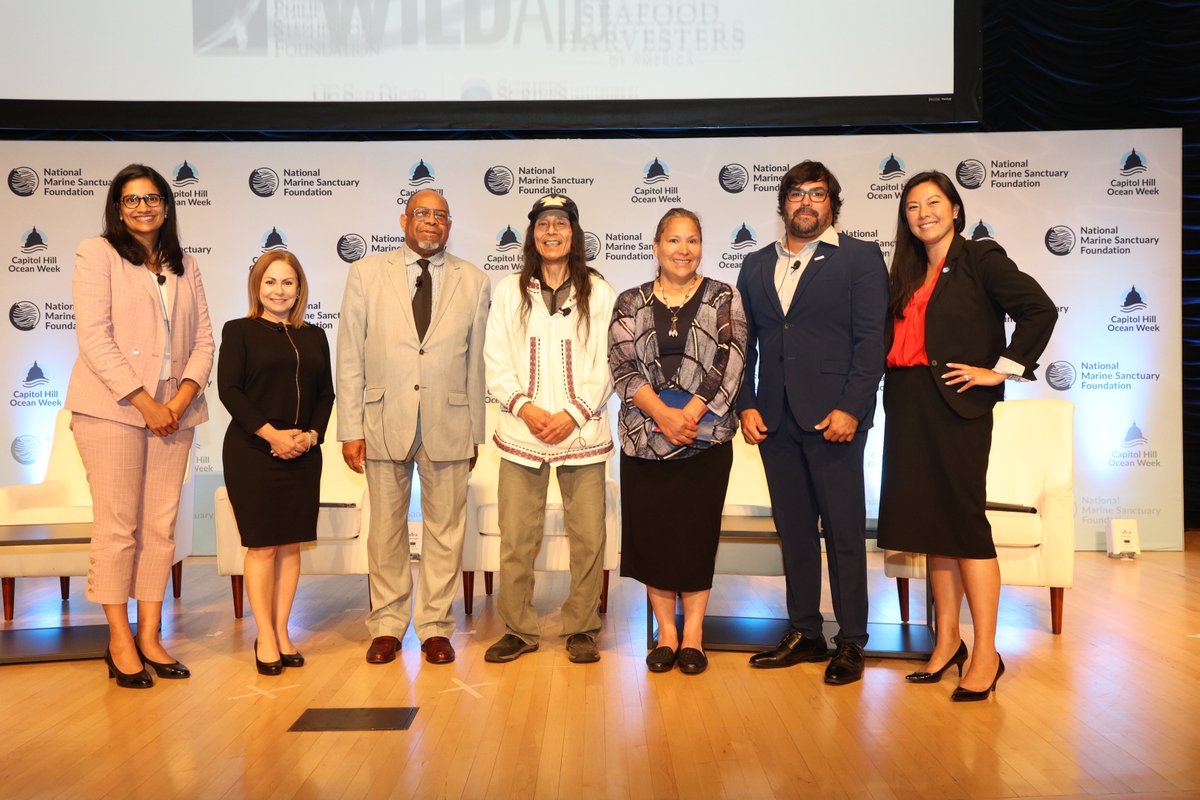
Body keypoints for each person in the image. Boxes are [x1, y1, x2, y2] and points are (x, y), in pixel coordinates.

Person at [876, 170, 1056, 700]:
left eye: (934, 202)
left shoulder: (981, 258)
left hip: (956, 406)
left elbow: (1038, 309)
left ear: (955, 209)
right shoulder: (905, 270)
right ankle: (947, 641)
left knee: (964, 524)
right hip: (908, 405)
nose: (923, 212)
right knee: (933, 527)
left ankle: (986, 652)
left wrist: (1001, 369)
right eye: (912, 206)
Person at [736, 160, 888, 685]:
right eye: (797, 194)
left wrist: (852, 408)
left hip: (834, 421)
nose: (806, 202)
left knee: (844, 534)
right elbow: (745, 345)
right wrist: (745, 404)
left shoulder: (861, 259)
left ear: (832, 204)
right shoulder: (755, 265)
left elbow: (873, 343)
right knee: (794, 533)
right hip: (774, 420)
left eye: (817, 194)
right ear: (783, 204)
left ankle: (850, 640)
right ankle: (805, 630)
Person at [65, 163, 214, 688]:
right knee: (118, 526)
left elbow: (203, 343)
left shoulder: (185, 264)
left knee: (159, 527)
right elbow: (95, 338)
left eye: (152, 198)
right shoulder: (97, 253)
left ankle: (150, 635)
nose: (143, 207)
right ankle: (119, 639)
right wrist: (148, 403)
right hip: (113, 409)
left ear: (167, 206)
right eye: (131, 200)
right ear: (117, 207)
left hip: (177, 413)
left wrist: (181, 398)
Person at [337, 188, 490, 666]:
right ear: (404, 220)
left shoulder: (475, 280)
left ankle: (436, 628)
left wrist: (475, 432)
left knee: (446, 531)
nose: (432, 222)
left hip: (450, 420)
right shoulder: (365, 274)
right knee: (385, 531)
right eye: (422, 214)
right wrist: (350, 428)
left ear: (450, 225)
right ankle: (386, 626)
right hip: (383, 420)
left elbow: (478, 364)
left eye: (441, 215)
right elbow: (350, 355)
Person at [609, 207, 747, 675]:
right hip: (645, 437)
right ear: (655, 246)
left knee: (695, 535)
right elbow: (623, 365)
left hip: (704, 439)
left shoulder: (723, 295)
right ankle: (666, 634)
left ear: (702, 247)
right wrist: (663, 415)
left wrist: (687, 415)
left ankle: (694, 636)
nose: (683, 250)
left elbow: (731, 358)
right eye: (673, 240)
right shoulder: (630, 300)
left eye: (692, 241)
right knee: (655, 537)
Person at [482, 194, 616, 665]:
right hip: (522, 433)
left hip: (582, 433)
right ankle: (519, 629)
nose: (552, 232)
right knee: (517, 538)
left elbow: (609, 360)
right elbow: (494, 360)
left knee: (587, 538)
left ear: (574, 234)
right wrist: (524, 406)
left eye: (561, 224)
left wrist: (575, 412)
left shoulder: (598, 291)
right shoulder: (507, 291)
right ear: (532, 234)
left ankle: (581, 627)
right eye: (544, 224)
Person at [218, 250, 334, 675]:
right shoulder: (239, 331)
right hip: (254, 451)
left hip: (304, 452)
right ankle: (264, 635)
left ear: (299, 288)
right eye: (270, 282)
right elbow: (230, 390)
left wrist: (310, 436)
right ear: (257, 287)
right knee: (263, 545)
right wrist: (271, 434)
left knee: (290, 545)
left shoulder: (315, 335)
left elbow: (326, 394)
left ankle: (284, 631)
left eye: (287, 282)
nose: (279, 290)